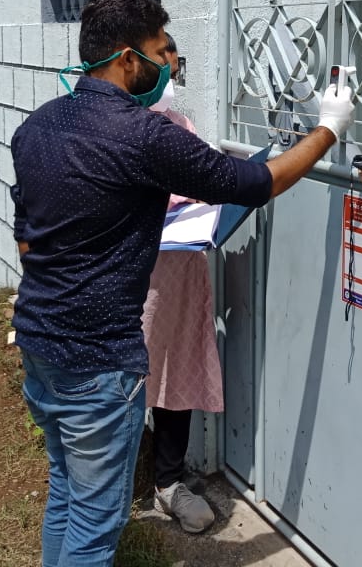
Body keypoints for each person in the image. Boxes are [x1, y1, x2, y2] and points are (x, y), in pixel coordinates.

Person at [10, 0, 354, 567]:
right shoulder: (143, 135)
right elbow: (253, 184)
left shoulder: (37, 127)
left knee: (67, 493)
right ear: (127, 58)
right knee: (95, 526)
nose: (170, 63)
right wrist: (327, 130)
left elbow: (26, 240)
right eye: (162, 51)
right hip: (97, 361)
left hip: (41, 345)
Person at [141, 35, 219, 533]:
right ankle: (115, 479)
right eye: (162, 56)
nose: (171, 65)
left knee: (178, 372)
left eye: (174, 57)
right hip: (137, 285)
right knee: (129, 380)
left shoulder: (179, 126)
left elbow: (205, 183)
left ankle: (168, 482)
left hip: (183, 274)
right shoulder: (111, 130)